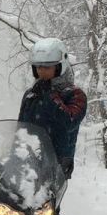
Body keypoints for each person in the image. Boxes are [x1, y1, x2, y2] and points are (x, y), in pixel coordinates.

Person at [18, 38, 87, 179]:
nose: (42, 72)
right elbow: (21, 128)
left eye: (47, 67)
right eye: (38, 67)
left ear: (59, 67)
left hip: (58, 163)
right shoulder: (31, 94)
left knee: (46, 200)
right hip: (28, 161)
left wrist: (49, 95)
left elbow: (69, 122)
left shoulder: (75, 94)